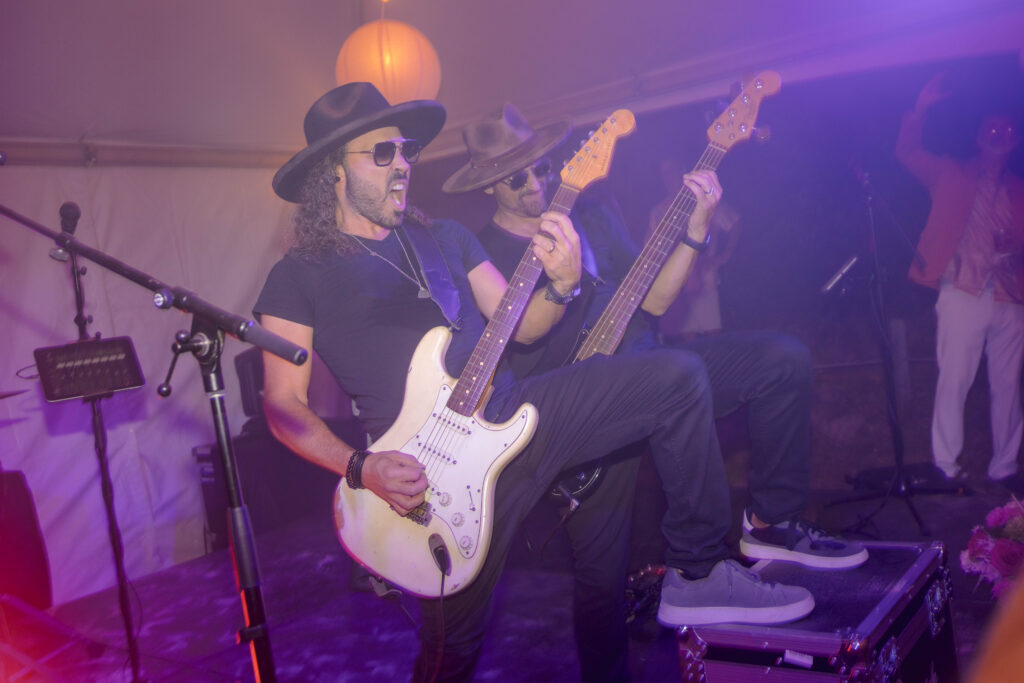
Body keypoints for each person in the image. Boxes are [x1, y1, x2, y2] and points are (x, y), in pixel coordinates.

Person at [255, 83, 815, 683]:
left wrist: (561, 284)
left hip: (512, 417)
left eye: (407, 150)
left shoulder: (443, 238)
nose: (403, 167)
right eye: (382, 154)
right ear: (331, 173)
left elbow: (523, 330)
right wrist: (360, 467)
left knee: (675, 377)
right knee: (451, 655)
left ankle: (698, 570)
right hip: (429, 476)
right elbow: (283, 405)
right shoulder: (297, 276)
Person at [443, 104, 868, 680]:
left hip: (662, 377)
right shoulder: (478, 252)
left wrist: (694, 233)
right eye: (519, 177)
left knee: (781, 361)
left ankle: (772, 522)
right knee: (601, 586)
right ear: (491, 184)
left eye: (543, 167)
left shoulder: (590, 217)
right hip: (582, 420)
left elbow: (656, 300)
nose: (538, 182)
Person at [896, 74, 1024, 495]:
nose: (1000, 134)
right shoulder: (950, 172)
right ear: (979, 135)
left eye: (1008, 130)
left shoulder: (1019, 188)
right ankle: (945, 467)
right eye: (993, 128)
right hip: (962, 290)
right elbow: (908, 152)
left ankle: (1005, 467)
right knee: (954, 380)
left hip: (1011, 296)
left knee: (1008, 385)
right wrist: (920, 110)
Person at [647, 157, 741, 341]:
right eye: (663, 174)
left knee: (714, 338)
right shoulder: (658, 211)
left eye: (671, 171)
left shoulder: (702, 202)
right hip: (675, 287)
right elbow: (649, 250)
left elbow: (735, 222)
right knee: (687, 341)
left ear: (682, 171)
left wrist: (724, 255)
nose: (667, 178)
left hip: (704, 281)